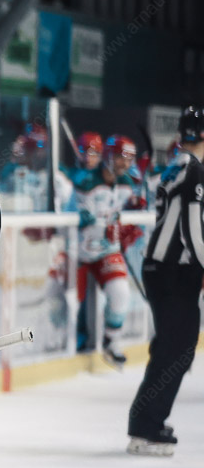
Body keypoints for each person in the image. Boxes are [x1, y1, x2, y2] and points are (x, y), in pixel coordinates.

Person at [127, 106, 204, 456]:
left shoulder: (177, 164)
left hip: (165, 270)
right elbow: (192, 228)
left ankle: (147, 421)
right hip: (174, 272)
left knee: (173, 348)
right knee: (176, 349)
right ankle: (146, 427)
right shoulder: (194, 169)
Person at [71, 135, 143, 366]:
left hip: (105, 251)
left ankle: (111, 342)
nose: (126, 163)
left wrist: (132, 219)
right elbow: (80, 222)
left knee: (121, 293)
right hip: (76, 252)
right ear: (109, 156)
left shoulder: (127, 184)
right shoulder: (85, 181)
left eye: (130, 158)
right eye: (122, 157)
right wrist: (104, 227)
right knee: (69, 303)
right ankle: (65, 344)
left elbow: (125, 220)